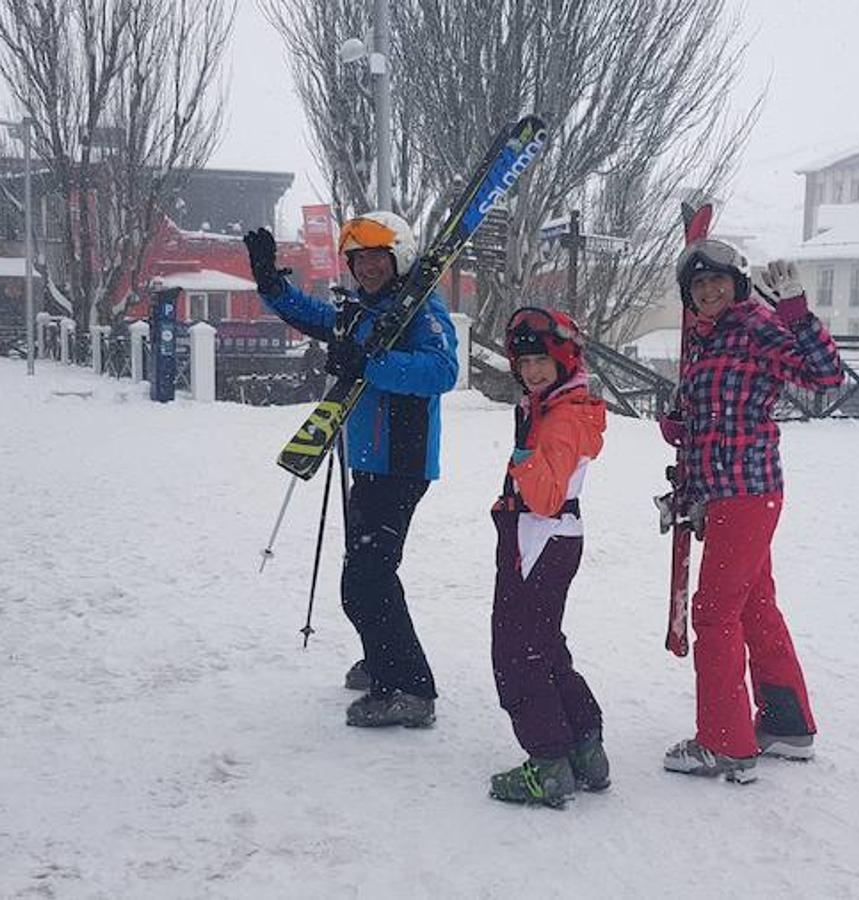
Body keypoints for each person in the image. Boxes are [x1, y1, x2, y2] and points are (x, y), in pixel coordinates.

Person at [242, 212, 458, 728]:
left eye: (376, 259)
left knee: (367, 578)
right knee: (365, 574)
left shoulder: (419, 312)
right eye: (358, 261)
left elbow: (443, 370)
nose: (366, 269)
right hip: (367, 462)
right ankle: (383, 658)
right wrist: (270, 283)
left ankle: (409, 688)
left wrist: (370, 365)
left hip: (402, 465)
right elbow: (312, 315)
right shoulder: (362, 312)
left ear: (399, 257)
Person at [657, 240, 844, 783]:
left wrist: (798, 315)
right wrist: (681, 425)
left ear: (737, 283)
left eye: (717, 280)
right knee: (755, 607)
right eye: (697, 286)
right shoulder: (705, 339)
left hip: (747, 490)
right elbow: (712, 411)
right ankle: (786, 723)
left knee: (714, 614)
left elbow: (825, 377)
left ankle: (725, 743)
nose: (708, 291)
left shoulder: (757, 326)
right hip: (721, 494)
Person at [486, 307, 609, 808]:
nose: (532, 370)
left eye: (542, 360)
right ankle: (584, 745)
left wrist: (522, 463)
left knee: (517, 652)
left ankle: (548, 763)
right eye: (524, 361)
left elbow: (545, 497)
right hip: (553, 539)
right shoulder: (560, 406)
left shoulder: (560, 418)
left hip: (540, 538)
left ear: (564, 358)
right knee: (544, 643)